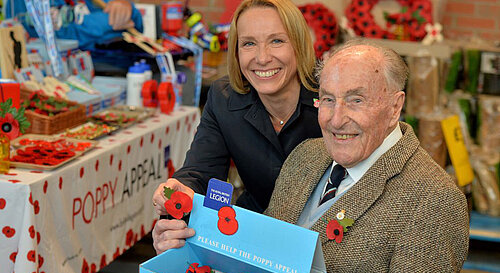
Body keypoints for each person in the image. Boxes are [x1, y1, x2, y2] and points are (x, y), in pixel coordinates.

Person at [244, 40, 469, 273]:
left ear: (394, 107)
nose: (336, 120)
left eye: (356, 100)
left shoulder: (433, 198)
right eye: (327, 99)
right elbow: (265, 248)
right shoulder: (306, 155)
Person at [152, 0, 322, 227]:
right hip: (252, 224)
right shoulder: (225, 98)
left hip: (324, 234)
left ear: (299, 45)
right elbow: (201, 172)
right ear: (236, 51)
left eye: (277, 41)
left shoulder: (330, 96)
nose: (262, 58)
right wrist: (179, 190)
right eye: (249, 43)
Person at [5, 0, 143, 49]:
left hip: (103, 73)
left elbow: (135, 23)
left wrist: (126, 8)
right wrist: (106, 22)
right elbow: (62, 36)